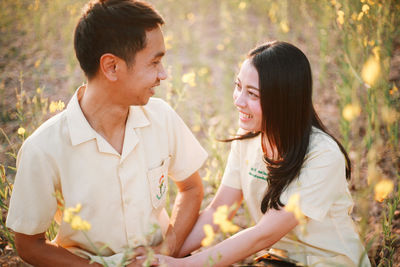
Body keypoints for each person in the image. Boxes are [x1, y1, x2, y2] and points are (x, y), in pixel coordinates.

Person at [6, 0, 207, 266]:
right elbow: (29, 244)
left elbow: (192, 187)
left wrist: (165, 249)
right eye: (155, 62)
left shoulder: (162, 117)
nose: (164, 74)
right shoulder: (43, 149)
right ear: (111, 67)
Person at [155, 41, 371, 267]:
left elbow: (264, 234)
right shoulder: (248, 139)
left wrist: (182, 265)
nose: (238, 100)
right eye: (238, 86)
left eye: (252, 94)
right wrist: (167, 254)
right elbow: (219, 211)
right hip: (278, 261)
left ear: (284, 100)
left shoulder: (322, 156)